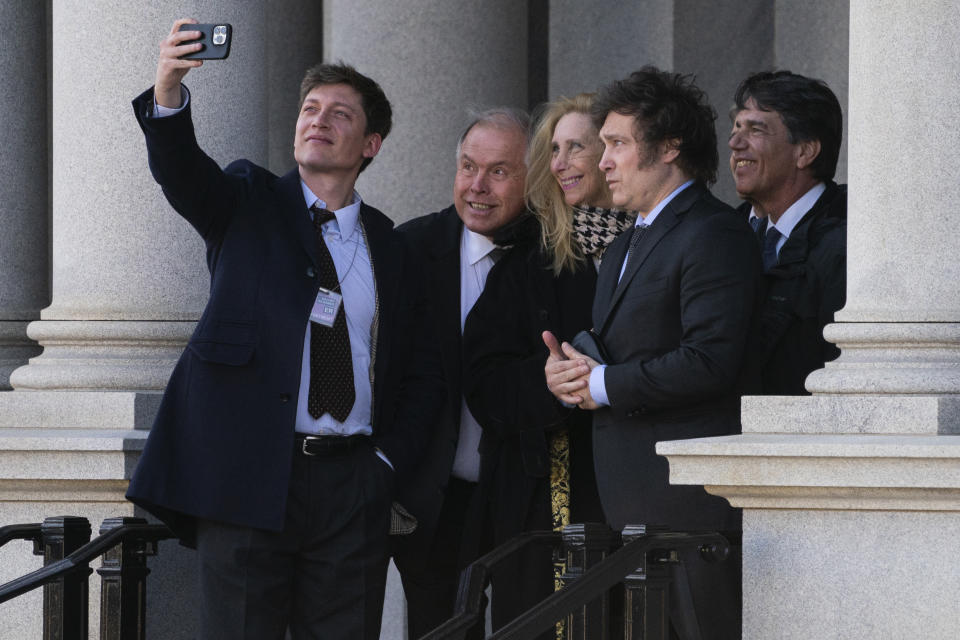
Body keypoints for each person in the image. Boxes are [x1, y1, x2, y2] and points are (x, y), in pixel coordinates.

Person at [125, 19, 441, 640]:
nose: (318, 120)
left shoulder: (392, 245)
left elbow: (421, 372)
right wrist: (168, 86)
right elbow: (181, 170)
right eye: (310, 108)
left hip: (352, 482)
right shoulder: (246, 201)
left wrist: (383, 465)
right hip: (249, 476)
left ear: (371, 143)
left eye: (340, 115)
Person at [544, 67, 761, 639]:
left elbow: (711, 360)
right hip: (633, 506)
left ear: (669, 147)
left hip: (691, 511)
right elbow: (619, 353)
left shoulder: (713, 232)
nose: (603, 160)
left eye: (616, 144)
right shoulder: (621, 246)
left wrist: (599, 385)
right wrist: (570, 373)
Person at [461, 93, 626, 637]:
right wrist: (546, 381)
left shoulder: (660, 243)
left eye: (575, 146)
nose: (559, 163)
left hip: (644, 485)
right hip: (551, 496)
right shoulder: (530, 259)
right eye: (552, 149)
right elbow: (482, 377)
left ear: (617, 151)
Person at [392, 108, 531, 639]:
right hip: (434, 497)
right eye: (468, 167)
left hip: (526, 496)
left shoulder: (555, 254)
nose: (478, 186)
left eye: (499, 171)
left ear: (532, 175)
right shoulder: (409, 249)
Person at [728, 70, 847, 394]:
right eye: (737, 127)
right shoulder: (721, 233)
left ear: (805, 152)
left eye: (756, 129)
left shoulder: (851, 242)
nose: (735, 143)